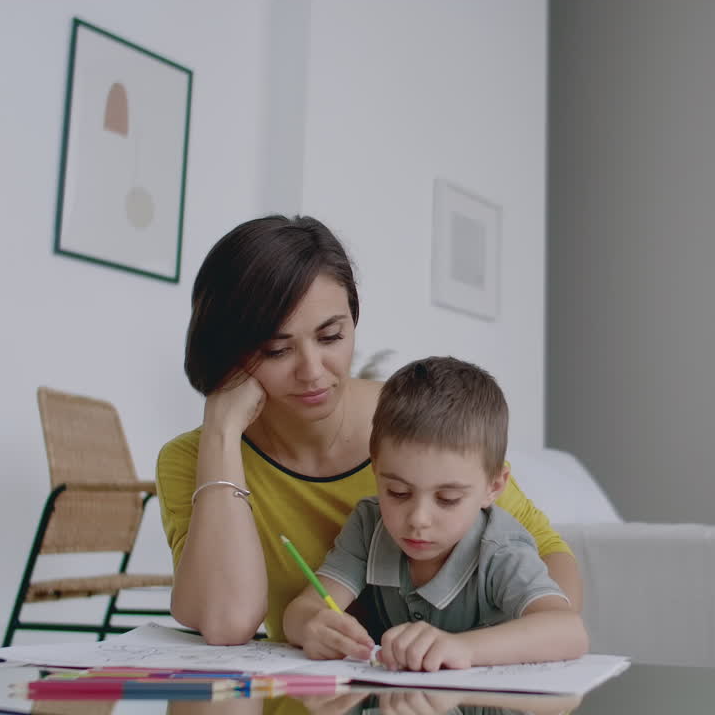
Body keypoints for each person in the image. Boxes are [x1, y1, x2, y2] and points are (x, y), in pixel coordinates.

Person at [156, 215, 582, 647]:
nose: (312, 372)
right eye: (277, 350)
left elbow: (548, 555)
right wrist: (222, 433)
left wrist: (483, 650)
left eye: (331, 336)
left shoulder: (411, 423)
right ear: (230, 349)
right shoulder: (195, 458)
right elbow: (228, 622)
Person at [295, 356, 588, 671]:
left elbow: (569, 631)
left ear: (494, 487)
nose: (418, 518)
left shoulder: (501, 548)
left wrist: (463, 648)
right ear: (376, 469)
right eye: (398, 493)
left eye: (447, 498)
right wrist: (314, 625)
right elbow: (306, 607)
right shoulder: (369, 524)